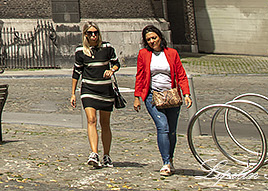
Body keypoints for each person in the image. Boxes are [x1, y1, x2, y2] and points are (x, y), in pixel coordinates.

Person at [132, 25, 192, 175]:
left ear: (160, 37)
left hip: (171, 96)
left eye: (154, 38)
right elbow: (140, 76)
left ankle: (170, 159)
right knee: (162, 126)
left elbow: (181, 74)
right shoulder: (144, 54)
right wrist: (137, 97)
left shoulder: (172, 53)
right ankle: (165, 163)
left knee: (171, 131)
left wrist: (186, 94)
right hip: (152, 96)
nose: (152, 41)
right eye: (148, 39)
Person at [70, 21, 120, 168]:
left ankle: (107, 155)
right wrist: (73, 93)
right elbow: (76, 72)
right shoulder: (81, 51)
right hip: (88, 89)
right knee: (91, 120)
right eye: (90, 33)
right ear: (85, 35)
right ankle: (94, 153)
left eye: (95, 33)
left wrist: (112, 70)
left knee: (105, 123)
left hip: (105, 90)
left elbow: (116, 63)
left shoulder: (107, 47)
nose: (93, 36)